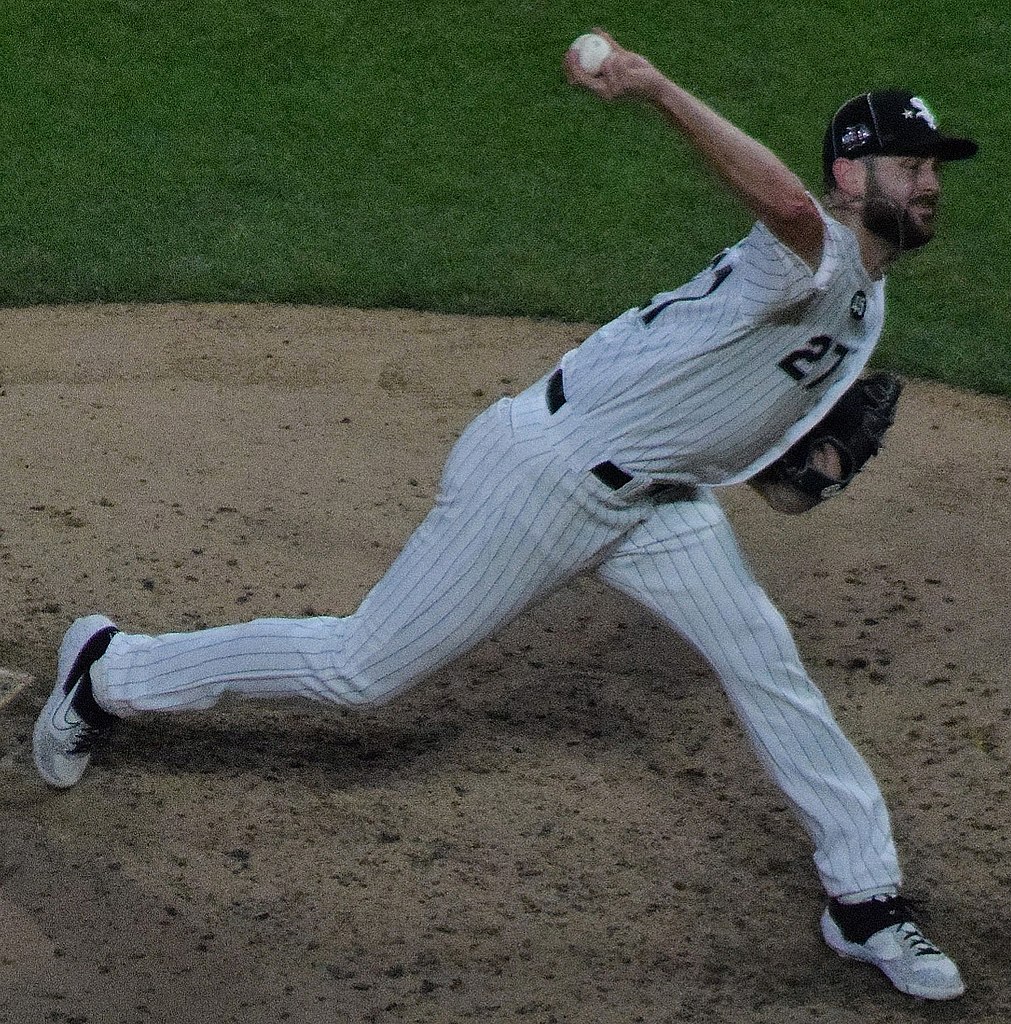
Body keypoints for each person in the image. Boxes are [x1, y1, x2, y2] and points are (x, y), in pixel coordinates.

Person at [34, 31, 977, 1001]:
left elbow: (770, 477)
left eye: (934, 169)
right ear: (847, 171)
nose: (930, 184)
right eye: (910, 166)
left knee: (765, 660)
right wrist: (654, 87)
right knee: (363, 668)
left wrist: (807, 470)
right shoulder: (809, 256)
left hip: (655, 498)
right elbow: (781, 202)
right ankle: (112, 671)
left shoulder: (862, 311)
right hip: (546, 475)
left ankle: (865, 899)